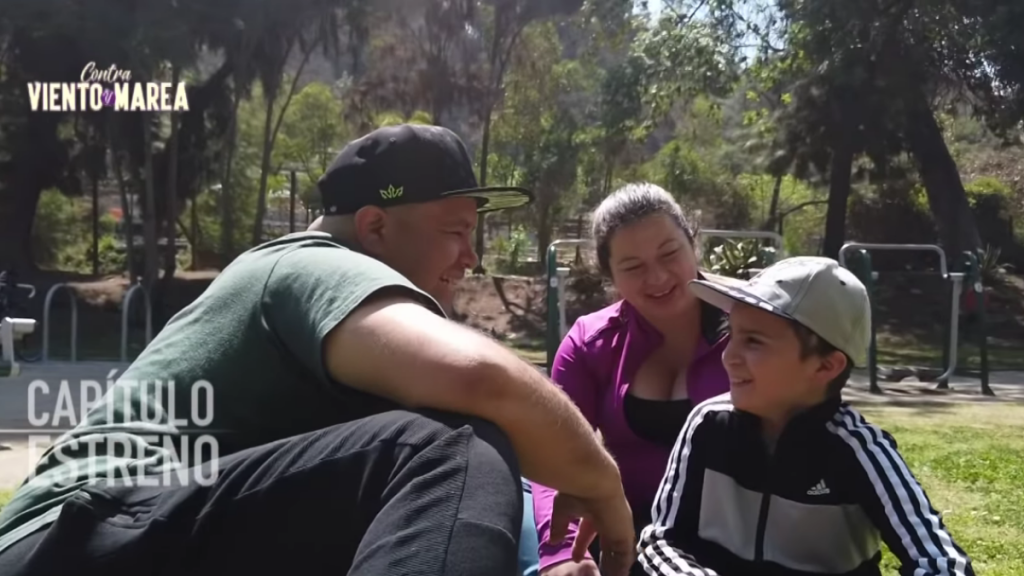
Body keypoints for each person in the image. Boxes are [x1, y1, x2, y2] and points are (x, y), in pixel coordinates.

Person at [0, 124, 637, 576]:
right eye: (456, 232)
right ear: (376, 225)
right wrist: (604, 485)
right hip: (72, 537)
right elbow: (479, 378)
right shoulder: (307, 264)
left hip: (132, 536)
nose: (471, 258)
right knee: (458, 445)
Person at [638, 256, 975, 576]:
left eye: (753, 341)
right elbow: (660, 539)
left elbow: (943, 563)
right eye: (731, 335)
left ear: (826, 366)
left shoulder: (859, 452)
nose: (729, 357)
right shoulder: (706, 426)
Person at [530, 183, 732, 576]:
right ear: (609, 274)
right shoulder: (590, 342)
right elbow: (555, 455)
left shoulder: (754, 325)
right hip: (627, 540)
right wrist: (562, 555)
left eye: (670, 253)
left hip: (739, 544)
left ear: (693, 244)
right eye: (633, 267)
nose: (656, 277)